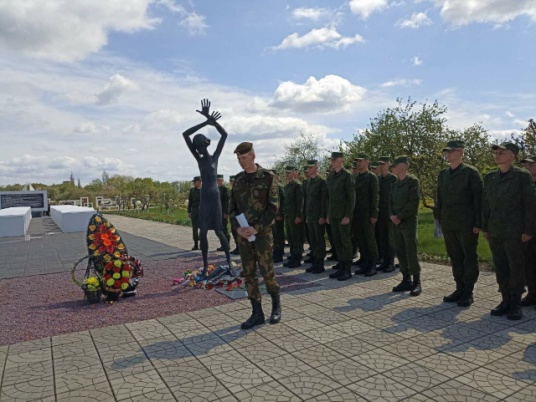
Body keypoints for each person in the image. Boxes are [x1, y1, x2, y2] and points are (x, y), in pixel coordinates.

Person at [229, 142, 281, 329]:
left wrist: (256, 228)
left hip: (262, 235)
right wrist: (238, 228)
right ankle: (256, 312)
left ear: (253, 156)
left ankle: (276, 306)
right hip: (244, 236)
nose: (241, 161)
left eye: (244, 158)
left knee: (267, 271)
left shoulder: (267, 177)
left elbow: (273, 207)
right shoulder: (238, 180)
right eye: (238, 159)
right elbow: (232, 208)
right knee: (248, 273)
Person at [483, 142, 536, 320]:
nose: (497, 155)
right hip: (495, 230)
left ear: (512, 156)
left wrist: (528, 229)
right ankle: (505, 300)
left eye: (502, 152)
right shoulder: (490, 177)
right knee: (501, 267)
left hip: (515, 231)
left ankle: (515, 303)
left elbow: (530, 204)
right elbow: (486, 204)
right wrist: (485, 227)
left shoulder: (522, 176)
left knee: (516, 267)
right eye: (496, 152)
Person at [182, 99, 232, 276]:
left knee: (219, 231)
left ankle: (229, 262)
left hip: (214, 196)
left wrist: (212, 120)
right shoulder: (199, 159)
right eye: (197, 146)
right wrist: (205, 121)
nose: (198, 148)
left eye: (200, 145)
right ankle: (204, 265)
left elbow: (224, 135)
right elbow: (185, 134)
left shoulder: (214, 158)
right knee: (202, 232)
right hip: (205, 197)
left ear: (205, 143)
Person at [437, 140, 483, 307]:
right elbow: (439, 199)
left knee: (468, 257)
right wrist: (440, 219)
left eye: (451, 151)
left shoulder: (471, 173)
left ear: (460, 152)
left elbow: (479, 199)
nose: (447, 154)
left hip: (466, 223)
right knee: (455, 256)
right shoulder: (443, 174)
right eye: (446, 151)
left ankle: (468, 291)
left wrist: (478, 222)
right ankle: (459, 287)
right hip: (449, 222)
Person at [390, 156, 422, 296]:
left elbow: (413, 203)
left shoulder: (413, 182)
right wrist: (392, 215)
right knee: (400, 251)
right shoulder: (395, 184)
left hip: (407, 223)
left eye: (395, 165)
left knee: (410, 251)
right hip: (396, 223)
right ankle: (406, 279)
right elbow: (390, 202)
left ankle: (417, 282)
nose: (392, 168)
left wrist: (399, 216)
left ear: (402, 166)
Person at [327, 152, 356, 281]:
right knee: (337, 241)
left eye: (334, 160)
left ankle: (347, 269)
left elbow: (351, 197)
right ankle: (341, 266)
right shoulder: (332, 176)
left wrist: (348, 215)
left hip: (343, 215)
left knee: (345, 242)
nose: (332, 162)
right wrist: (328, 214)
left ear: (341, 160)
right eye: (331, 160)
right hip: (334, 214)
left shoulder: (347, 175)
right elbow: (330, 198)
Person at [352, 154, 380, 277]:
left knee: (370, 240)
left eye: (361, 161)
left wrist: (374, 214)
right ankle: (365, 263)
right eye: (357, 161)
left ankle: (372, 265)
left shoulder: (371, 177)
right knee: (361, 240)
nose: (358, 163)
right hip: (357, 213)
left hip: (367, 214)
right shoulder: (356, 177)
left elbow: (375, 197)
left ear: (367, 162)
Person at [304, 160, 328, 274]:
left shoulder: (322, 182)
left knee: (319, 240)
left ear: (316, 167)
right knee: (312, 240)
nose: (309, 169)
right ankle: (315, 261)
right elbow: (308, 200)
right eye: (308, 167)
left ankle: (320, 264)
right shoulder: (309, 182)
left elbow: (324, 200)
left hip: (318, 216)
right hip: (311, 216)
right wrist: (307, 215)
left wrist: (323, 216)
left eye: (311, 167)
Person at [520, 154, 536, 307]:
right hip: (526, 231)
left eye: (531, 165)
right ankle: (532, 294)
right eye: (526, 165)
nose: (527, 167)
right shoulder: (525, 184)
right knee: (529, 265)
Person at [377, 156, 397, 273]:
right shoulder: (377, 179)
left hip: (390, 214)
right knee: (382, 239)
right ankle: (384, 261)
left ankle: (390, 263)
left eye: (383, 164)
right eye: (380, 164)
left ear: (389, 164)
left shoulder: (393, 179)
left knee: (390, 240)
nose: (381, 166)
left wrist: (394, 213)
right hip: (380, 213)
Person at [283, 166, 304, 268]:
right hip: (288, 215)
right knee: (290, 238)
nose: (287, 174)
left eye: (289, 172)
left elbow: (300, 202)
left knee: (296, 238)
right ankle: (293, 256)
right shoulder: (287, 186)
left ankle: (297, 258)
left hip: (294, 216)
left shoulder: (297, 185)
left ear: (294, 173)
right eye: (286, 173)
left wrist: (299, 215)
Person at [271, 170, 286, 263]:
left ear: (277, 176)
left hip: (278, 215)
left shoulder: (279, 187)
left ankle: (279, 253)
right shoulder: (272, 187)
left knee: (279, 234)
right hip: (273, 215)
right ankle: (276, 251)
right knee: (274, 235)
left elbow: (282, 201)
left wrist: (280, 214)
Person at [217, 174, 231, 251]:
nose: (218, 181)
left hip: (223, 211)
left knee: (224, 228)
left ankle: (227, 244)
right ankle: (222, 244)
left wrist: (226, 212)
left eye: (220, 180)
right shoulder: (216, 189)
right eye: (217, 180)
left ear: (222, 180)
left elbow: (226, 202)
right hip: (217, 212)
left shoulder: (225, 189)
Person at [187, 176, 201, 250]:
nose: (194, 183)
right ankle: (196, 244)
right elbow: (190, 202)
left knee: (203, 228)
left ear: (199, 182)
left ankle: (202, 243)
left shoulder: (204, 190)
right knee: (194, 228)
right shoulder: (192, 190)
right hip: (194, 210)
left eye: (195, 182)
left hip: (202, 211)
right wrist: (189, 211)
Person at [228, 175, 240, 255]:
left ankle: (240, 248)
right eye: (231, 181)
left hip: (239, 214)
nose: (232, 183)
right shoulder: (231, 190)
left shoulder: (239, 190)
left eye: (233, 181)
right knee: (234, 231)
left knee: (238, 231)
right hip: (233, 215)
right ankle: (237, 246)